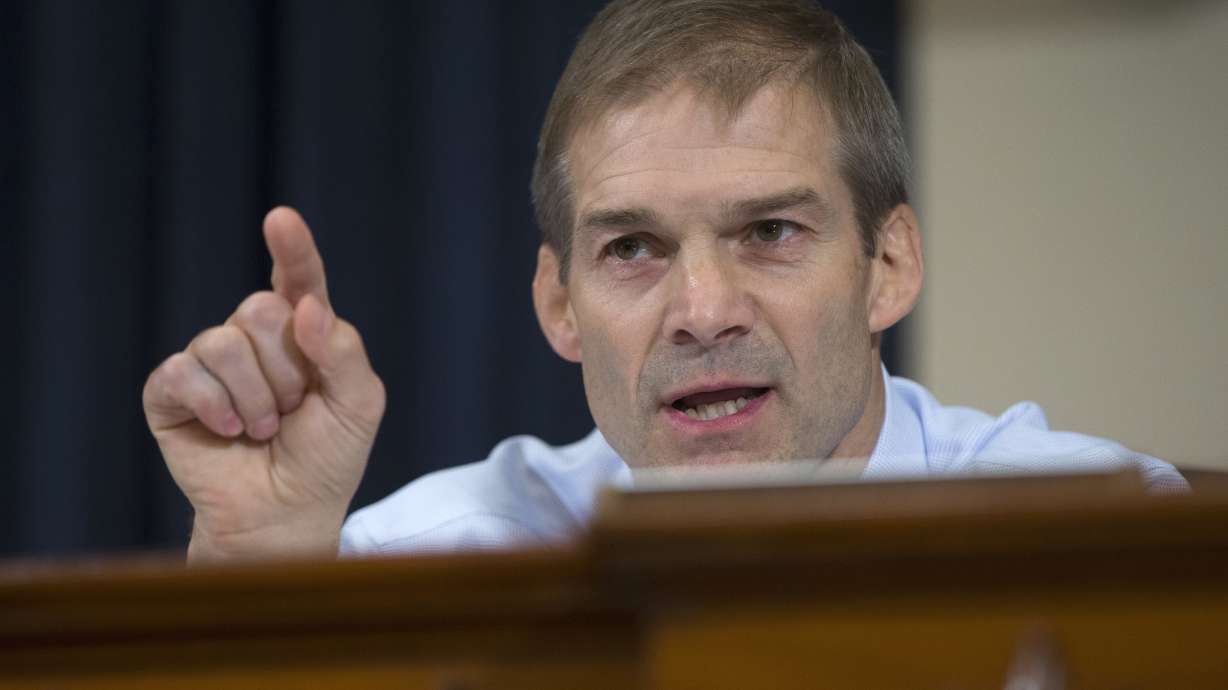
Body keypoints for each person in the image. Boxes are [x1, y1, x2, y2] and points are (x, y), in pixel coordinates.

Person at [142, 0, 1186, 562]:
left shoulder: (1103, 542)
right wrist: (258, 562)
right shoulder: (424, 567)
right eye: (632, 249)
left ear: (889, 266)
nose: (701, 313)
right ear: (559, 304)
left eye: (769, 231)